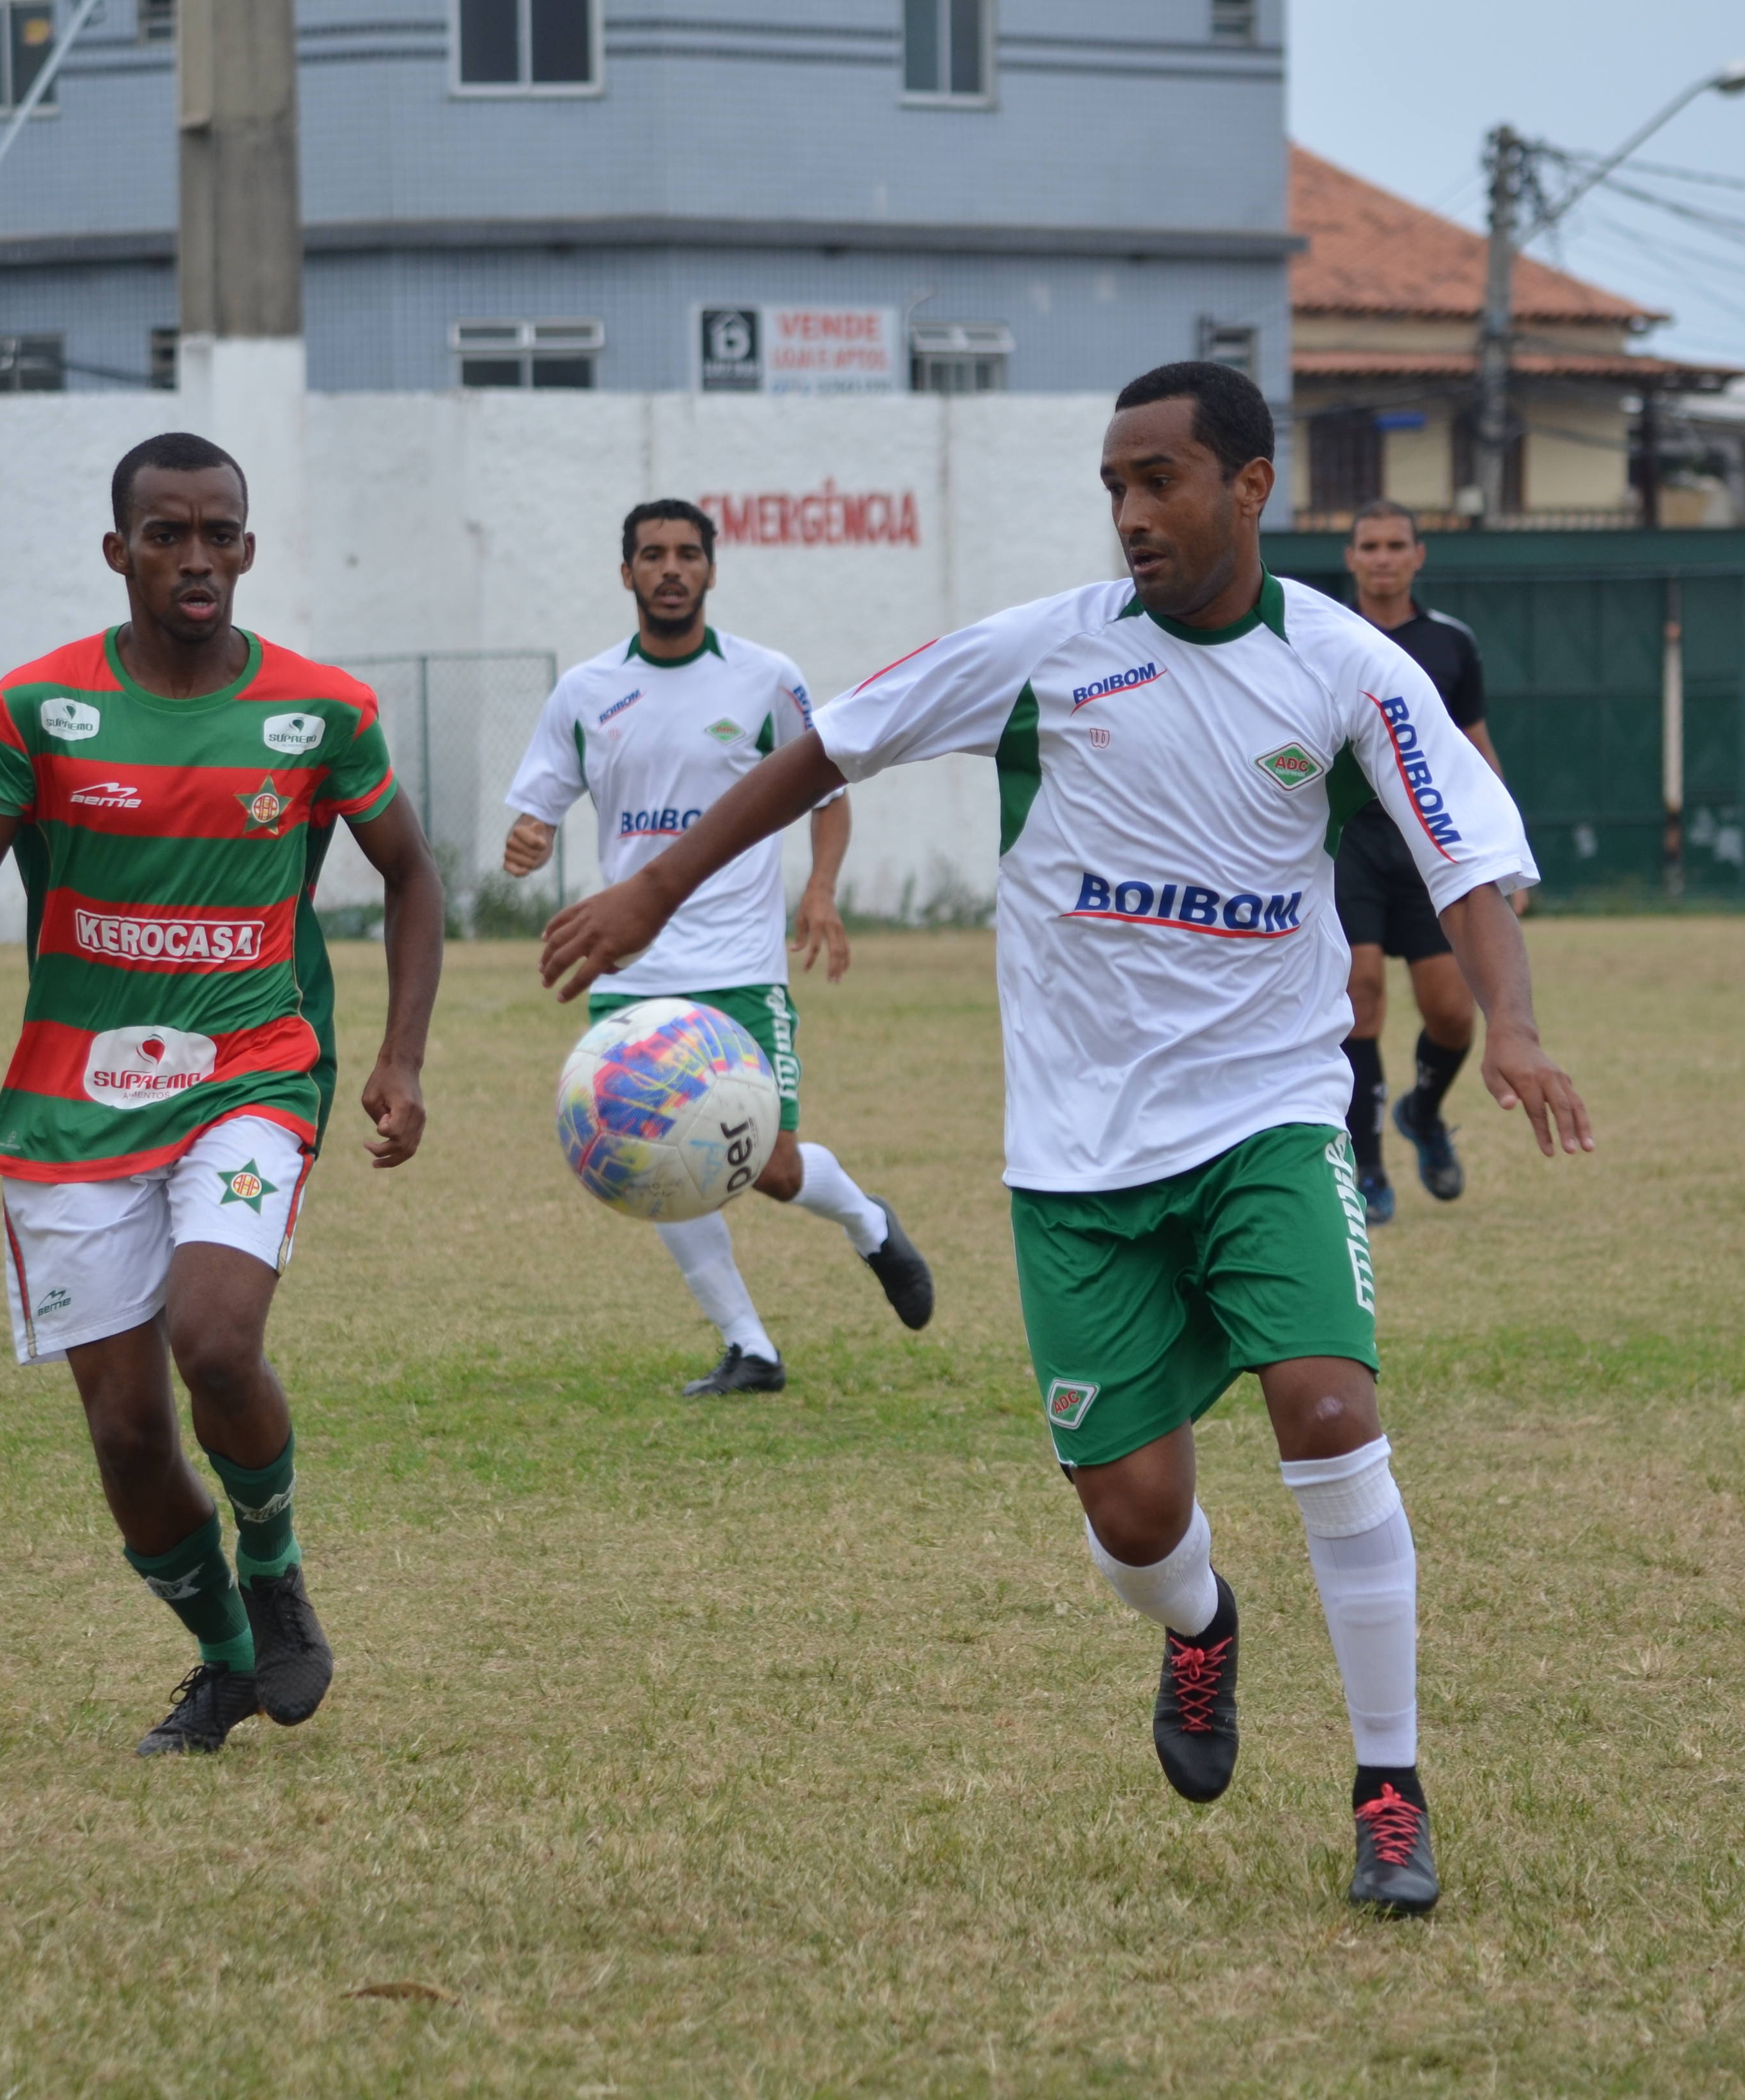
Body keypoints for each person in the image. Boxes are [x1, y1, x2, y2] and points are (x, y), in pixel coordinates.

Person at [538, 363, 1594, 1915]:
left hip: (1268, 1116)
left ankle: (1388, 1784)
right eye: (1114, 484)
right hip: (1080, 1161)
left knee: (1325, 1406)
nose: (1131, 513)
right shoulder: (1043, 654)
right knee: (1135, 1520)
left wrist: (1511, 1022)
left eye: (1161, 479)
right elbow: (829, 748)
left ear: (1250, 484)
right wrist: (651, 888)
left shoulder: (1347, 665)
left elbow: (1467, 858)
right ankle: (1198, 1623)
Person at [0, 432, 446, 1760]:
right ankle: (226, 1661)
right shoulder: (35, 712)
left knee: (217, 1339)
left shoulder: (321, 713)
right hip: (71, 1108)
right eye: (167, 535)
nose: (196, 559)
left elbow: (412, 877)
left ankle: (275, 1560)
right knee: (128, 1435)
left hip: (251, 1071)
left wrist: (401, 1057)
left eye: (219, 535)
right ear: (118, 549)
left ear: (246, 548)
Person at [499, 498, 935, 1396]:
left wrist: (819, 889)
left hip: (738, 966)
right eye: (651, 555)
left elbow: (829, 788)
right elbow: (539, 805)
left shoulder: (765, 679)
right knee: (644, 1155)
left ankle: (868, 1224)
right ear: (626, 573)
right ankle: (752, 1347)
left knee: (772, 1168)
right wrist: (530, 839)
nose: (670, 569)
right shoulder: (586, 692)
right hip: (635, 968)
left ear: (711, 570)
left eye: (687, 554)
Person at [1334, 500, 1517, 1224]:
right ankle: (1367, 1166)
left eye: (1394, 545)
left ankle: (1423, 1113)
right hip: (1348, 841)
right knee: (1361, 994)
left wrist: (1499, 856)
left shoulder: (1450, 643)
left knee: (1450, 1014)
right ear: (1349, 558)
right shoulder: (1324, 635)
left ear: (1418, 555)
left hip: (1428, 846)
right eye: (1367, 545)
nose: (1381, 557)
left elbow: (1473, 748)